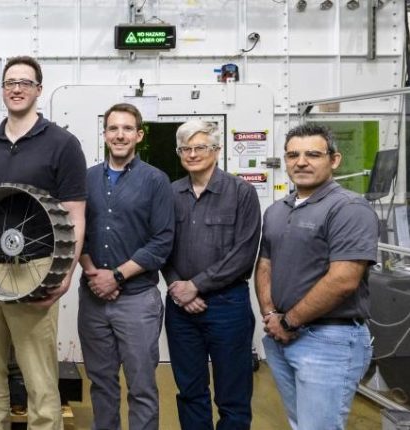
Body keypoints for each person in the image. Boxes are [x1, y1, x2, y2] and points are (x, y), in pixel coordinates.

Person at [0, 55, 86, 430]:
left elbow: (75, 215)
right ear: (3, 90)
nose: (16, 89)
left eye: (25, 83)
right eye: (10, 82)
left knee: (39, 378)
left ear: (38, 89)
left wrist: (65, 274)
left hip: (35, 269)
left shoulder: (63, 144)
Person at [255, 123, 378, 430]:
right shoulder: (277, 210)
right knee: (302, 424)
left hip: (329, 340)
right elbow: (265, 264)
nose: (301, 162)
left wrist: (288, 321)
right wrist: (270, 315)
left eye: (312, 154)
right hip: (281, 337)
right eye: (293, 155)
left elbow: (343, 281)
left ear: (334, 160)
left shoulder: (349, 208)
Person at [78, 103, 174, 429]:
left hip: (137, 300)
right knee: (101, 383)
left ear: (139, 135)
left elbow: (162, 241)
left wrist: (117, 276)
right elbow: (76, 233)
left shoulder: (156, 180)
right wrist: (94, 274)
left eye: (127, 129)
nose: (120, 135)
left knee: (142, 387)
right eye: (113, 128)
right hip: (93, 299)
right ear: (105, 134)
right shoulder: (86, 179)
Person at [162, 120, 261, 430]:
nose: (192, 154)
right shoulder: (170, 193)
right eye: (185, 149)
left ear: (217, 150)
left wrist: (196, 285)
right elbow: (161, 246)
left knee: (233, 395)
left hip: (227, 306)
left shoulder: (242, 192)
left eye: (200, 147)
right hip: (181, 310)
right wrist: (179, 288)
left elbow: (244, 254)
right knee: (190, 391)